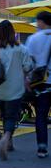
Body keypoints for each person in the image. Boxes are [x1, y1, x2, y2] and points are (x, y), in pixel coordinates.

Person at [0, 20, 33, 161]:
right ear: (13, 32)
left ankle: (9, 142)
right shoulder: (21, 49)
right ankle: (6, 138)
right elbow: (27, 67)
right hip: (16, 89)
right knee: (12, 116)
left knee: (5, 115)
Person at [26, 11, 51, 159]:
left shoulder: (33, 38)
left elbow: (28, 62)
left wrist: (27, 80)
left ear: (41, 22)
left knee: (41, 116)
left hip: (41, 84)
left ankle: (42, 147)